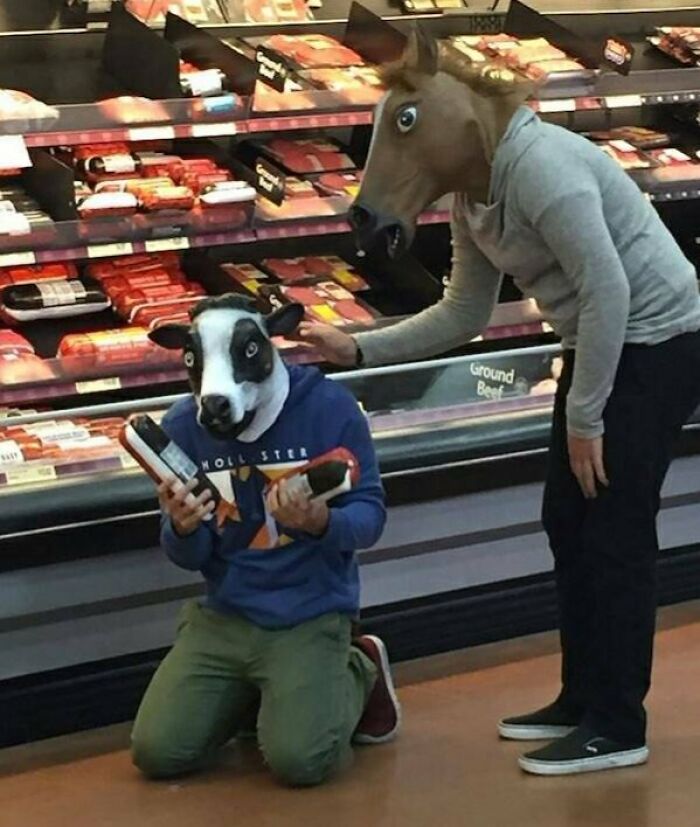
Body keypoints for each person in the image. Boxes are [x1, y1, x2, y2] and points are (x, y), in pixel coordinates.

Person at [300, 107, 700, 775]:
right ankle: (582, 699)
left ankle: (618, 722)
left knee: (615, 530)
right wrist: (358, 347)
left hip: (661, 340)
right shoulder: (472, 195)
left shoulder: (542, 167)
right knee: (567, 520)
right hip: (597, 342)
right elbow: (466, 310)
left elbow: (611, 290)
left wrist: (587, 418)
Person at [131, 300, 399, 787]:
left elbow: (371, 516)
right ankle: (265, 693)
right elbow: (186, 557)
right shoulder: (181, 428)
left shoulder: (328, 408)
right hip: (226, 616)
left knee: (302, 762)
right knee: (158, 751)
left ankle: (360, 666)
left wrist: (322, 523)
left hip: (310, 611)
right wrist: (184, 528)